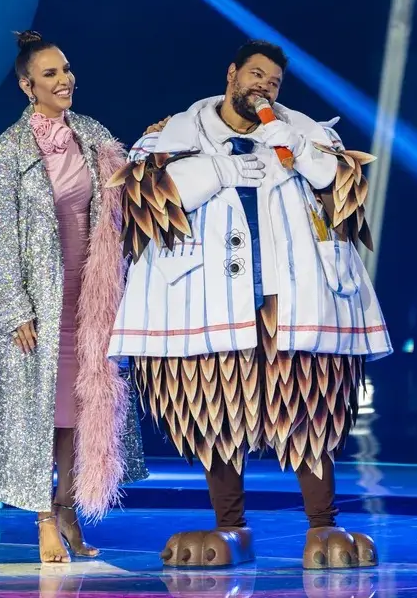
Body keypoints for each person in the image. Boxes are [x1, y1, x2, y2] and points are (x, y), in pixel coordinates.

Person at [108, 40, 391, 569]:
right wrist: (214, 172)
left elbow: (348, 196)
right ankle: (230, 525)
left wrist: (299, 151)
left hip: (293, 301)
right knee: (213, 412)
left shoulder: (308, 133)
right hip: (202, 300)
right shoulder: (170, 136)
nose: (264, 87)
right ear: (232, 73)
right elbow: (136, 199)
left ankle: (323, 525)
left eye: (274, 82)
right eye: (255, 75)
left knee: (309, 410)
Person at [0, 30, 147, 564]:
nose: (64, 79)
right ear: (28, 86)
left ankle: (68, 506)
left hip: (90, 299)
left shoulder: (93, 134)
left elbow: (130, 189)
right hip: (38, 304)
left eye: (66, 69)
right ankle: (44, 519)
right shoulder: (10, 149)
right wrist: (13, 308)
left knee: (82, 409)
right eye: (50, 74)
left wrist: (152, 150)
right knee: (40, 412)